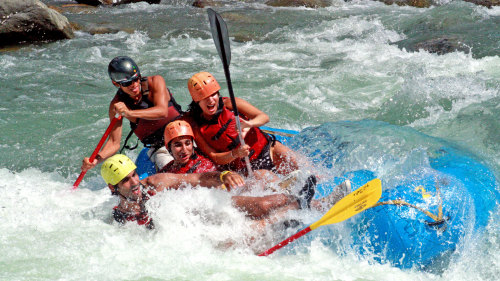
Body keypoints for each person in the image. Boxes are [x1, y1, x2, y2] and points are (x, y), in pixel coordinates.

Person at [101, 154, 318, 229]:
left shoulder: (156, 183)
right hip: (195, 229)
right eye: (126, 181)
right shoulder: (120, 218)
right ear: (114, 188)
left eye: (133, 175)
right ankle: (290, 211)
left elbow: (197, 178)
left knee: (262, 206)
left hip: (201, 204)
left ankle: (306, 201)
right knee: (249, 234)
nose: (134, 182)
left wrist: (222, 175)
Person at [185, 72, 300, 178]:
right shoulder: (196, 126)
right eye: (205, 98)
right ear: (196, 100)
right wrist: (235, 153)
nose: (210, 100)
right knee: (267, 177)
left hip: (267, 150)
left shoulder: (230, 104)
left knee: (302, 167)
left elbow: (263, 117)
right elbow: (214, 157)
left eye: (213, 94)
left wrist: (250, 124)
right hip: (246, 168)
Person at [81, 56, 182, 174]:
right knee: (173, 171)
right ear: (116, 84)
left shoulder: (155, 82)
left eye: (136, 79)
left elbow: (162, 112)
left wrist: (129, 113)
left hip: (183, 135)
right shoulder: (117, 105)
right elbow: (114, 143)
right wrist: (96, 160)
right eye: (127, 83)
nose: (134, 85)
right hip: (160, 147)